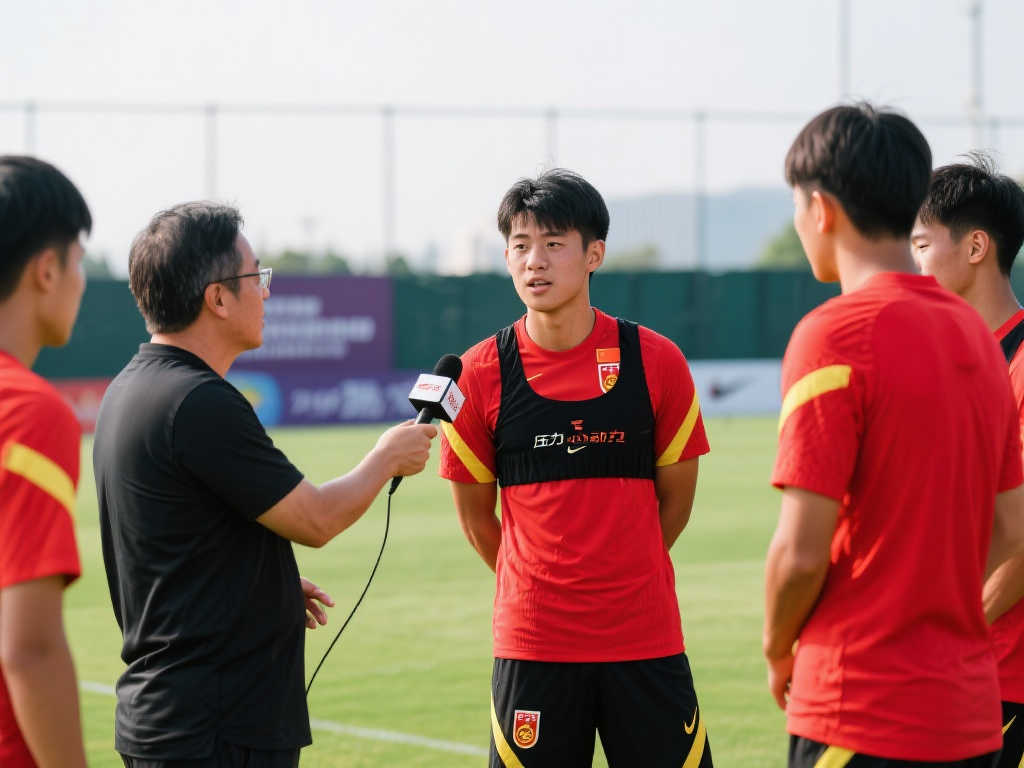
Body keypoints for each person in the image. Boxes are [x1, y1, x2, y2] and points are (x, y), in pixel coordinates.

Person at [93, 202, 437, 767]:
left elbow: (172, 544)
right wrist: (385, 459)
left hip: (179, 720)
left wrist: (260, 586)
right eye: (257, 276)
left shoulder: (132, 388)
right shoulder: (198, 401)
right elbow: (317, 519)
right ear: (218, 297)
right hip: (214, 730)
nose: (267, 292)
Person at [763, 103, 1024, 768]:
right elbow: (1013, 528)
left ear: (821, 210)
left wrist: (777, 646)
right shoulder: (979, 340)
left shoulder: (832, 333)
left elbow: (800, 553)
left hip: (861, 707)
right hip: (966, 712)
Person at [439, 169, 712, 767]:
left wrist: (621, 571)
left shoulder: (657, 361)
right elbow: (477, 522)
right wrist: (542, 585)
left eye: (553, 243)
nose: (534, 261)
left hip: (645, 638)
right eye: (520, 245)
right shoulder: (478, 373)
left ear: (594, 255)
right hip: (533, 646)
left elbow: (677, 503)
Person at [912, 155, 1024, 767]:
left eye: (922, 245)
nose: (913, 264)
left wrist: (948, 639)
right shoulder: (946, 363)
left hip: (1002, 675)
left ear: (976, 247)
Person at [0, 155, 91, 768]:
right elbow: (29, 649)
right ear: (47, 270)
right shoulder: (28, 413)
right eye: (79, 262)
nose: (80, 280)